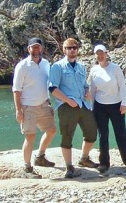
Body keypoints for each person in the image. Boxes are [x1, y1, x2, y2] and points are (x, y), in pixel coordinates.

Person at [48, 37, 98, 178]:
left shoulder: (81, 67)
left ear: (77, 50)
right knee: (67, 136)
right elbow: (52, 87)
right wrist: (68, 101)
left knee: (92, 132)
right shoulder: (57, 67)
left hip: (83, 104)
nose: (72, 50)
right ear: (64, 50)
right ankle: (69, 167)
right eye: (69, 48)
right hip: (67, 106)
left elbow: (84, 85)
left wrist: (87, 91)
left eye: (74, 47)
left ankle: (84, 158)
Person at [11, 37, 57, 178]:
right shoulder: (22, 66)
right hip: (28, 106)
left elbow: (47, 84)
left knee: (51, 131)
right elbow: (16, 90)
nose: (36, 50)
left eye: (38, 47)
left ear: (42, 48)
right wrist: (18, 110)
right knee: (30, 136)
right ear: (29, 49)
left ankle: (40, 157)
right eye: (33, 47)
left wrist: (49, 102)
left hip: (43, 104)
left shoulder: (46, 64)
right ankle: (27, 168)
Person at [88, 43, 126, 174]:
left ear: (106, 54)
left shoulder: (115, 68)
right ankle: (104, 163)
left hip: (116, 105)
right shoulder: (94, 70)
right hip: (100, 106)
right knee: (103, 135)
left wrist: (124, 103)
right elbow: (93, 90)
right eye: (97, 53)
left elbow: (122, 86)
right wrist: (92, 107)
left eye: (102, 53)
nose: (100, 55)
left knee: (121, 134)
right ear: (95, 55)